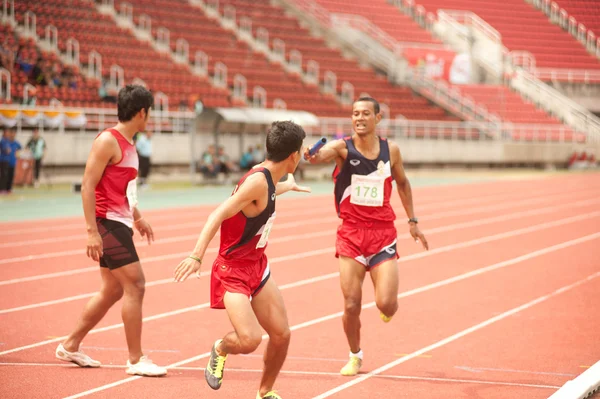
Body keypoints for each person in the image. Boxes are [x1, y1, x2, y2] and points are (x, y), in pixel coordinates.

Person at [174, 121, 310, 399]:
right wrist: (196, 255)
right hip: (232, 270)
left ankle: (264, 391)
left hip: (256, 267)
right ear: (294, 155)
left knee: (282, 335)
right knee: (249, 339)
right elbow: (218, 214)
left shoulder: (269, 179)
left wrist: (287, 186)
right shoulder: (257, 180)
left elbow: (264, 198)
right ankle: (221, 349)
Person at [304, 97, 429, 376]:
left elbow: (404, 183)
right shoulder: (342, 148)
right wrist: (312, 156)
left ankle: (387, 307)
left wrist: (413, 221)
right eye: (354, 114)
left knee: (386, 303)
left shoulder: (391, 151)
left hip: (383, 235)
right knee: (351, 303)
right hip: (351, 235)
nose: (359, 118)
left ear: (378, 118)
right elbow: (319, 156)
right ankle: (355, 355)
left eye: (364, 114)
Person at [55, 85, 167, 377]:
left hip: (121, 222)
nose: (150, 118)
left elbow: (125, 189)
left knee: (112, 289)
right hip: (106, 223)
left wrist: (138, 217)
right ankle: (135, 359)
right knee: (136, 285)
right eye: (149, 112)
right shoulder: (108, 140)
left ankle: (70, 344)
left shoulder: (130, 145)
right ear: (142, 112)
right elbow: (87, 186)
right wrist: (91, 231)